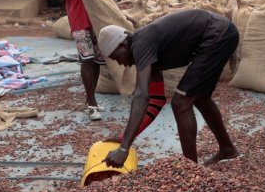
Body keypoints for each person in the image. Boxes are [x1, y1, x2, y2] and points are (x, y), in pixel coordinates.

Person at [98, 9, 240, 167]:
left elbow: (141, 96)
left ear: (123, 45)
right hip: (220, 34)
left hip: (217, 34)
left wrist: (124, 148)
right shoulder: (144, 52)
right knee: (201, 98)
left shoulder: (141, 44)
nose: (120, 63)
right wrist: (125, 138)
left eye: (117, 57)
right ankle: (227, 149)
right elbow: (156, 100)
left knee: (181, 103)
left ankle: (191, 169)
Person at [48, 0, 115, 120]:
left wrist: (114, 10)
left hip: (99, 17)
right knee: (86, 59)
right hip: (78, 17)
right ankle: (92, 103)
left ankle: (90, 99)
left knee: (97, 60)